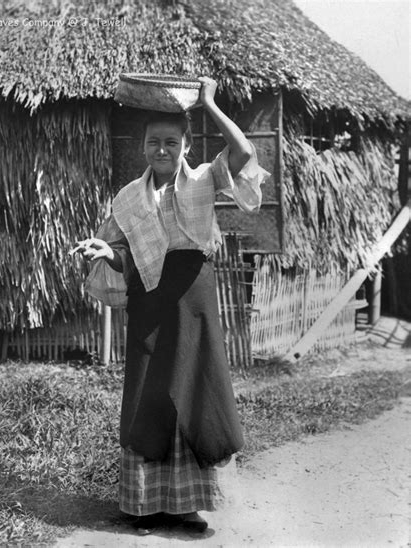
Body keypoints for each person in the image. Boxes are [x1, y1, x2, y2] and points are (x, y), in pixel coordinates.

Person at [74, 77, 270, 535]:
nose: (162, 150)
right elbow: (127, 255)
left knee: (196, 388)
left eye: (171, 142)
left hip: (193, 299)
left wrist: (209, 104)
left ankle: (187, 506)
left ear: (185, 146)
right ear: (142, 148)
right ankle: (143, 506)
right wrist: (110, 254)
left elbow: (242, 153)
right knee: (148, 392)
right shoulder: (129, 197)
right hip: (148, 302)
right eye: (154, 142)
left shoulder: (204, 180)